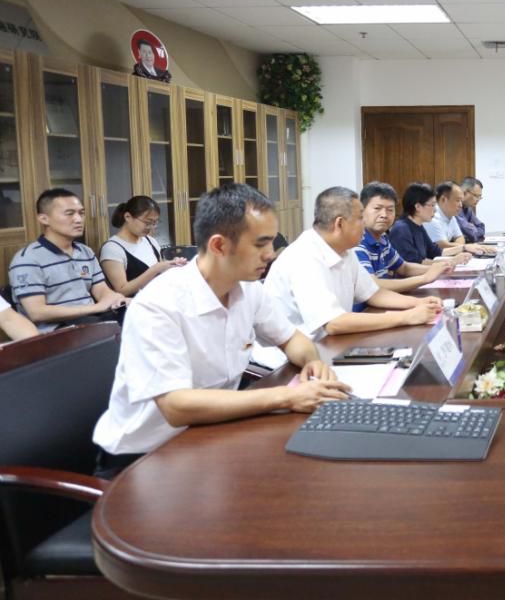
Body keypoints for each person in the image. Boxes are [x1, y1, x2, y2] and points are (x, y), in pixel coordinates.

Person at [91, 183, 349, 478]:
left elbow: (292, 339)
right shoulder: (159, 304)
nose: (270, 254)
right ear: (219, 246)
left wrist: (313, 363)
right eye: (260, 244)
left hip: (208, 434)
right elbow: (176, 406)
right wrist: (288, 397)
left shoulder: (248, 290)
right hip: (144, 457)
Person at [262, 186, 442, 347]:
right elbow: (333, 323)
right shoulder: (304, 257)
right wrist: (406, 317)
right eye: (360, 218)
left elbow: (374, 294)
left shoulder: (345, 251)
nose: (364, 224)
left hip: (327, 344)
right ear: (340, 223)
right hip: (288, 359)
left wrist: (419, 303)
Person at [9, 188, 128, 332]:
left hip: (92, 320)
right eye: (69, 213)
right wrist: (96, 307)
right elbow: (36, 312)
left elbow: (102, 290)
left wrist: (116, 300)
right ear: (44, 219)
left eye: (81, 213)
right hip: (56, 332)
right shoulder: (27, 260)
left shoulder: (85, 252)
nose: (78, 219)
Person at [355, 181, 449, 294]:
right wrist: (424, 278)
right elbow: (373, 285)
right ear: (362, 210)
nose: (384, 215)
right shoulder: (357, 242)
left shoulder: (383, 239)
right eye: (377, 208)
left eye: (390, 210)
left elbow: (403, 267)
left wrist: (438, 269)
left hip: (386, 298)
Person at [99, 195, 186, 296]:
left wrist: (171, 265)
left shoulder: (150, 241)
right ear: (128, 217)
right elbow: (122, 290)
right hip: (134, 303)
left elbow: (160, 274)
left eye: (154, 223)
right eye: (147, 222)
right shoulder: (112, 249)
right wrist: (155, 269)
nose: (151, 227)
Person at [389, 182, 471, 265]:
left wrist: (464, 248)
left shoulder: (418, 226)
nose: (435, 210)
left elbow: (435, 251)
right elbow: (415, 263)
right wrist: (452, 261)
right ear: (418, 207)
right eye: (432, 205)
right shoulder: (401, 229)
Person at [425, 180, 494, 256]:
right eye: (458, 200)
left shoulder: (451, 215)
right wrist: (465, 247)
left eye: (461, 201)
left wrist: (462, 247)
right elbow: (442, 245)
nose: (461, 205)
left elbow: (460, 238)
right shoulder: (432, 218)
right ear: (443, 199)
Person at [457, 176, 486, 243]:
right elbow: (471, 234)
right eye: (476, 196)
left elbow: (481, 227)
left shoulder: (468, 208)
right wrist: (472, 229)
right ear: (464, 193)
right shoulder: (455, 207)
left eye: (479, 197)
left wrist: (473, 229)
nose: (478, 200)